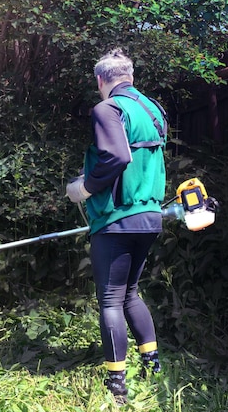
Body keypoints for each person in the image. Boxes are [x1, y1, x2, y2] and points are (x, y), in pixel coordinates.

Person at [66, 48, 165, 405]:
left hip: (116, 217)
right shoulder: (153, 110)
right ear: (131, 77)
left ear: (100, 80)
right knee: (130, 293)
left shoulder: (107, 108)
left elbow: (119, 157)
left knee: (110, 299)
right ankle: (152, 366)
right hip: (150, 216)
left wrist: (85, 187)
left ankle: (117, 385)